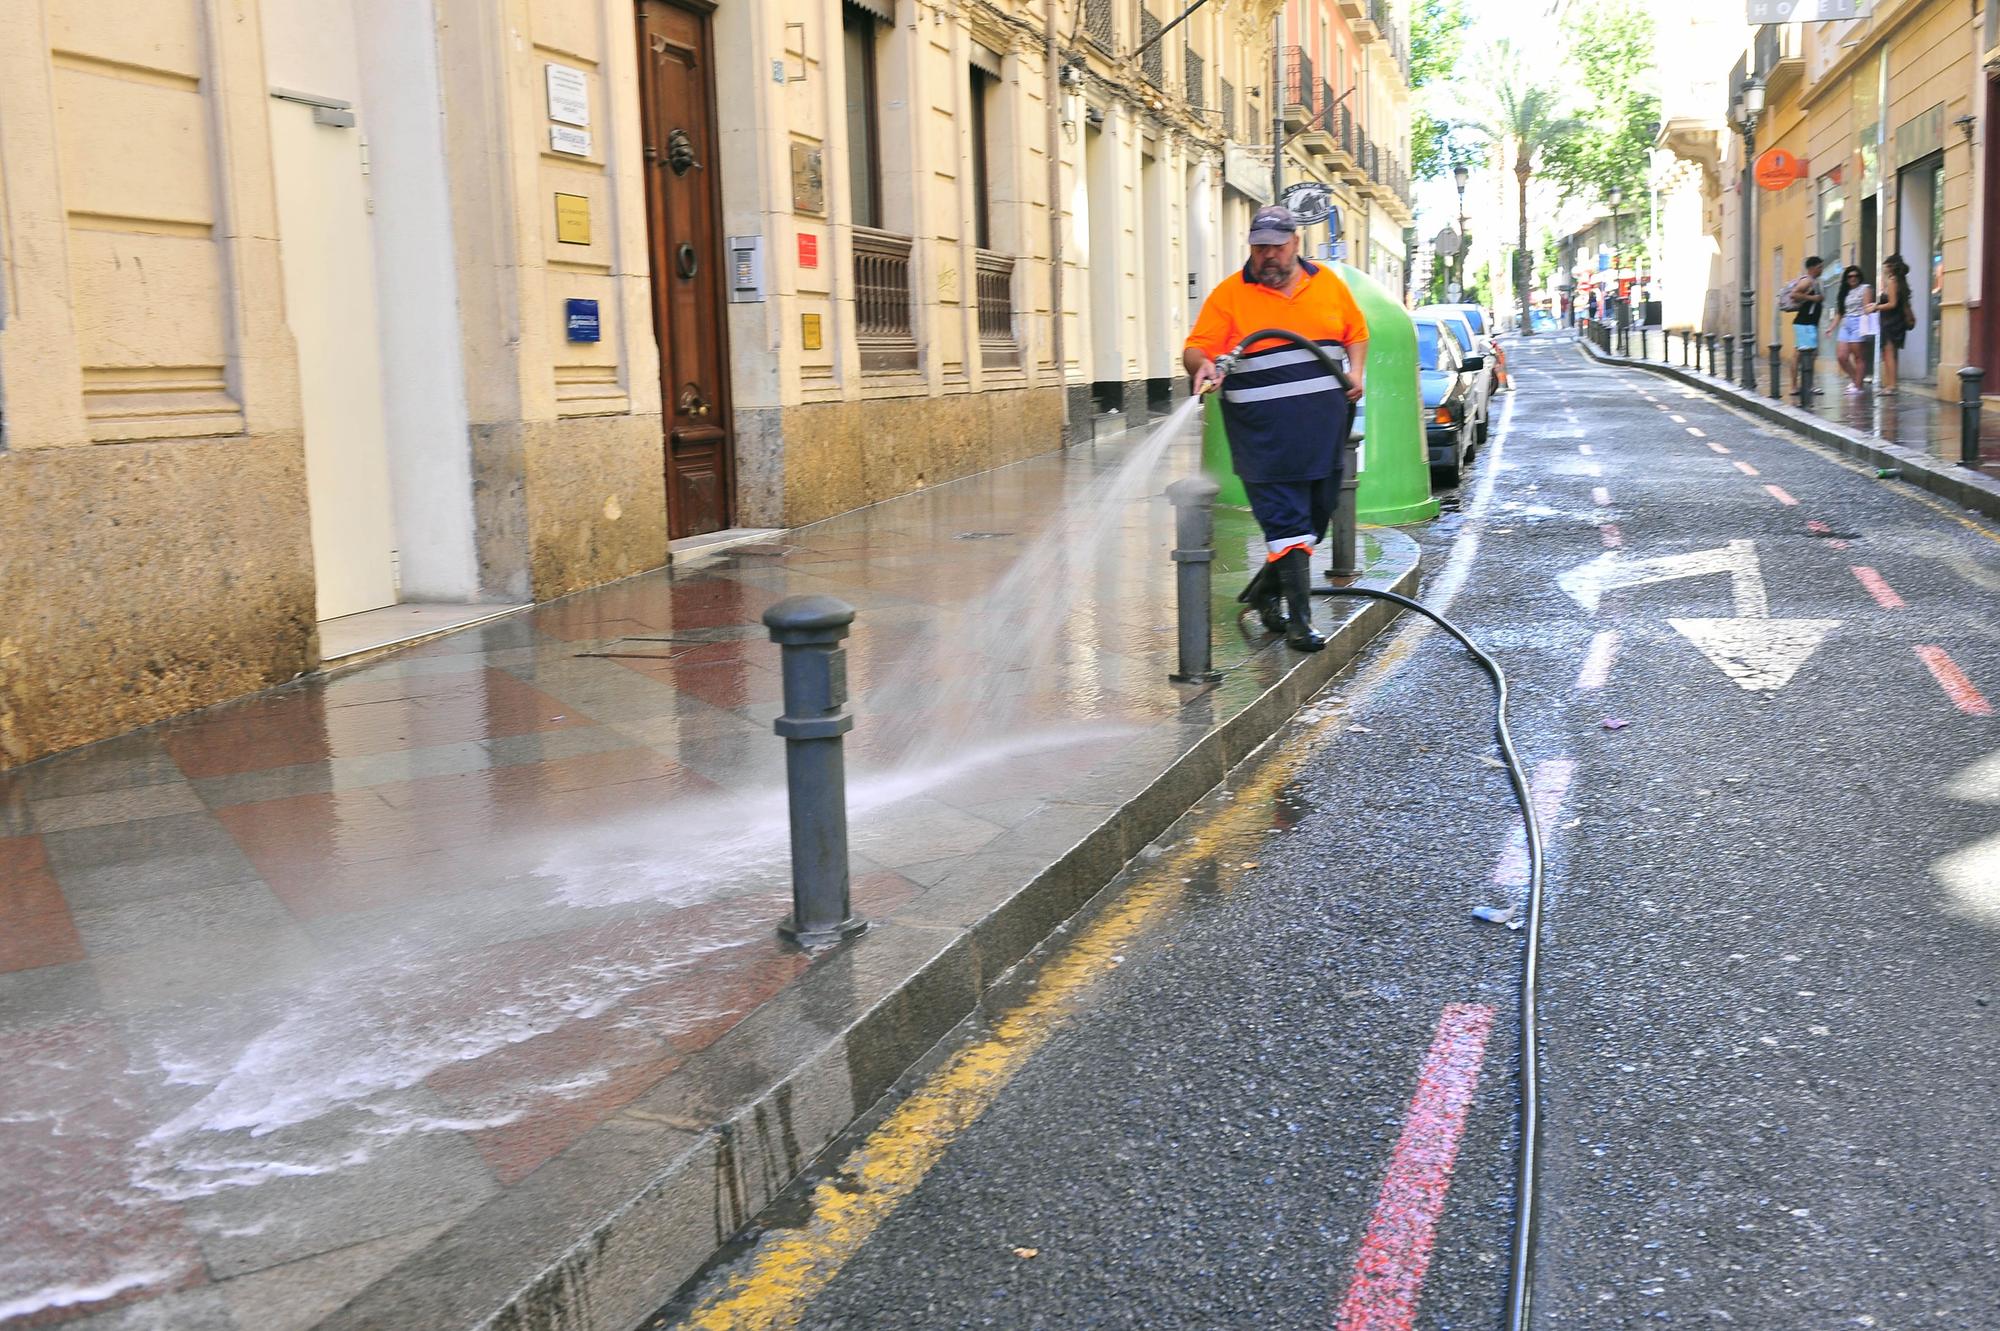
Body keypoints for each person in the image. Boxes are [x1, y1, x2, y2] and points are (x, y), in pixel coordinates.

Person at [1184, 205, 1369, 653]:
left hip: (1323, 436)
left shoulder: (1327, 284)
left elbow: (1356, 331)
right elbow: (1196, 348)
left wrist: (1357, 373)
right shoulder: (1229, 296)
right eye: (1259, 247)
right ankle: (1300, 624)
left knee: (1314, 521)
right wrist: (1203, 364)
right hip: (1262, 439)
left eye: (1276, 247)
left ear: (1295, 243)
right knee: (1286, 523)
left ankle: (1267, 589)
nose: (1267, 256)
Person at [1782, 256, 1825, 397]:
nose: (1821, 269)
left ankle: (1804, 385)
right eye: (1819, 267)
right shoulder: (1807, 281)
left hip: (1808, 323)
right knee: (1802, 354)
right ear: (1812, 268)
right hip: (1805, 323)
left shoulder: (1814, 281)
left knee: (1807, 354)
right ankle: (1798, 386)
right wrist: (1813, 298)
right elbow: (1794, 295)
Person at [1871, 254, 1912, 395]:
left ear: (1890, 267)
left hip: (1891, 321)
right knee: (1890, 354)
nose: (1884, 269)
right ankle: (1891, 384)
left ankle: (1891, 385)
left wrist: (1876, 307)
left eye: (1886, 266)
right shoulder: (1900, 281)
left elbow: (1892, 303)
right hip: (1894, 320)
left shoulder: (1892, 281)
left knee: (1888, 353)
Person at [1832, 264, 1873, 393]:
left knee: (1858, 357)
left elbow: (1867, 307)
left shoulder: (1865, 288)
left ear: (1859, 277)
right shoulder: (1844, 292)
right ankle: (1856, 379)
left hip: (1859, 321)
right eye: (1850, 276)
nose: (1853, 278)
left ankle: (1858, 386)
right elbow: (1841, 312)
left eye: (1855, 276)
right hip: (1845, 323)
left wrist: (1872, 310)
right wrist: (1831, 327)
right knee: (1841, 356)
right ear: (1846, 279)